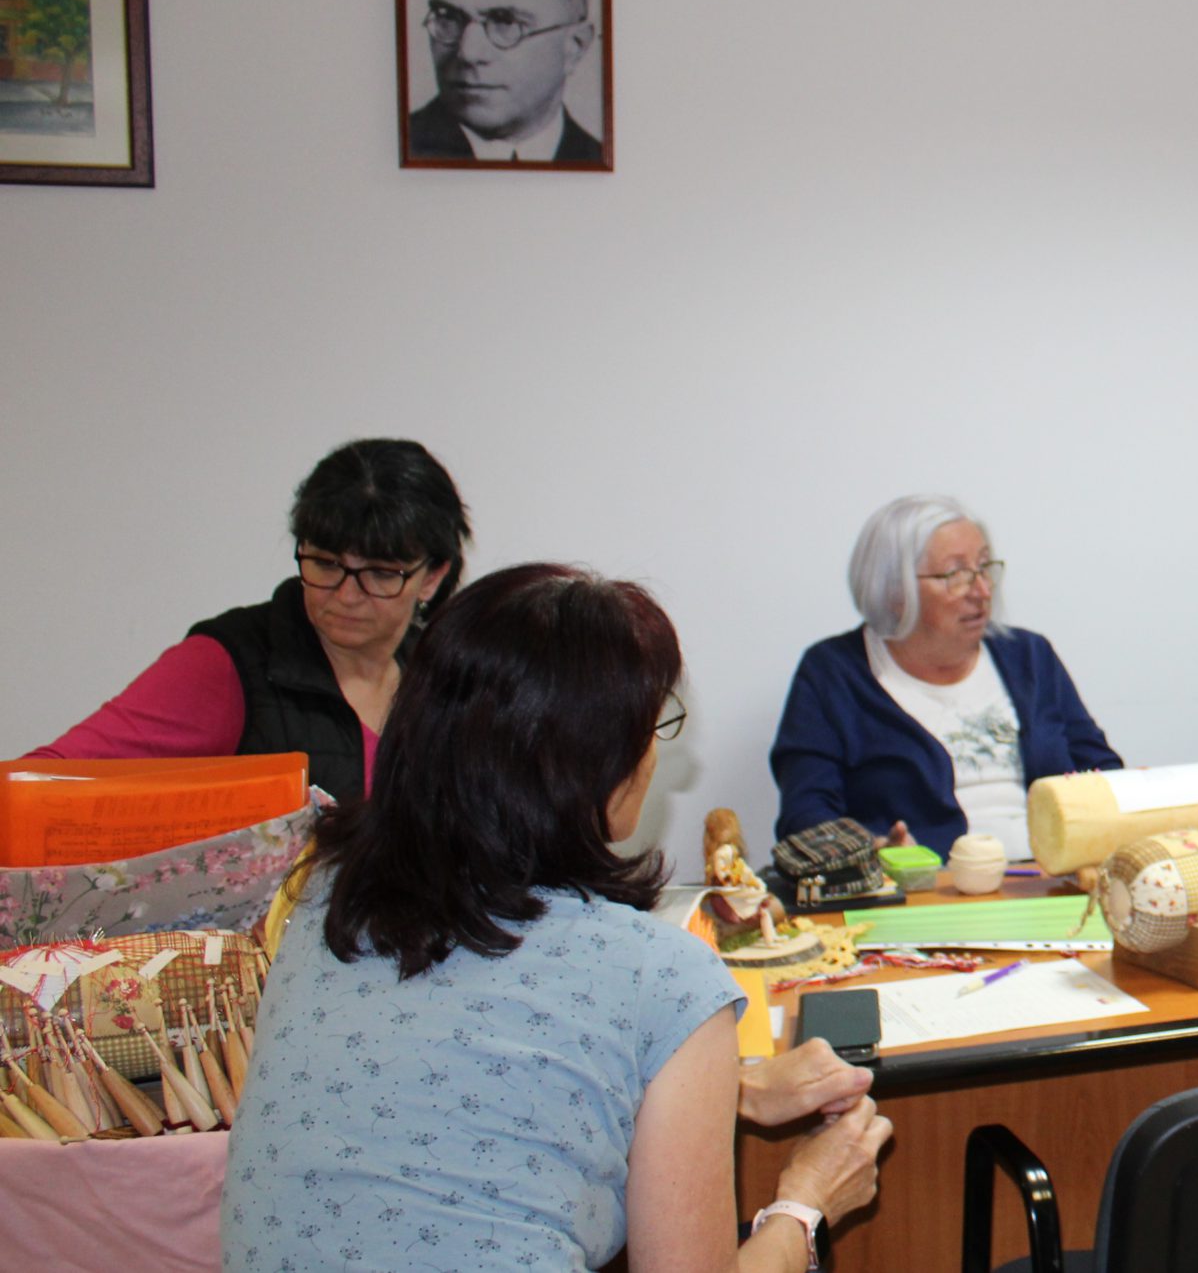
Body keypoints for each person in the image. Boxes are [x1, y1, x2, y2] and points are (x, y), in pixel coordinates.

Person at [222, 564, 892, 1273]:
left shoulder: (323, 896)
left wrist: (735, 1088)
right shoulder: (661, 976)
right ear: (589, 762)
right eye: (650, 723)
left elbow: (468, 1076)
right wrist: (806, 1203)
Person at [30, 438, 470, 805]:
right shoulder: (229, 663)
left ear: (431, 577)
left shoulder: (444, 676)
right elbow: (44, 785)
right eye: (325, 563)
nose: (346, 594)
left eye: (379, 573)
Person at [770, 494, 1120, 858]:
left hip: (1050, 876)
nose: (982, 591)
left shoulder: (1030, 657)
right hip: (924, 892)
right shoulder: (832, 673)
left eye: (984, 568)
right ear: (894, 591)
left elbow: (1102, 772)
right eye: (955, 575)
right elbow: (805, 822)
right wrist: (874, 851)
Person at [406, 0, 604, 163]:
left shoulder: (602, 162)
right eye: (448, 16)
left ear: (575, 47)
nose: (468, 52)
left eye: (505, 22)